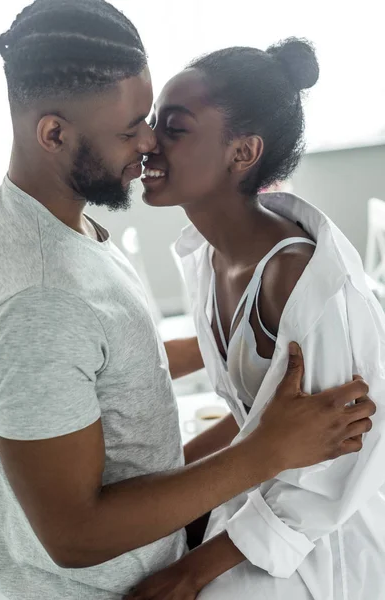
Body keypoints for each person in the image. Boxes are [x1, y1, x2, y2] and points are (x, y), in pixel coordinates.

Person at [0, 3, 375, 599]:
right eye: (133, 127)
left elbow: (107, 365)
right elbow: (74, 533)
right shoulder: (43, 291)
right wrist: (256, 454)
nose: (146, 143)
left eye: (163, 123)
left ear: (243, 153)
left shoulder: (66, 231)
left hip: (279, 554)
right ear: (55, 133)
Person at [129, 38, 385, 599]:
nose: (147, 142)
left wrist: (191, 569)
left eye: (174, 127)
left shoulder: (292, 277)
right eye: (153, 124)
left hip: (324, 540)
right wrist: (158, 496)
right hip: (259, 501)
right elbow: (255, 419)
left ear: (242, 153)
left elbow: (341, 457)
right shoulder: (207, 253)